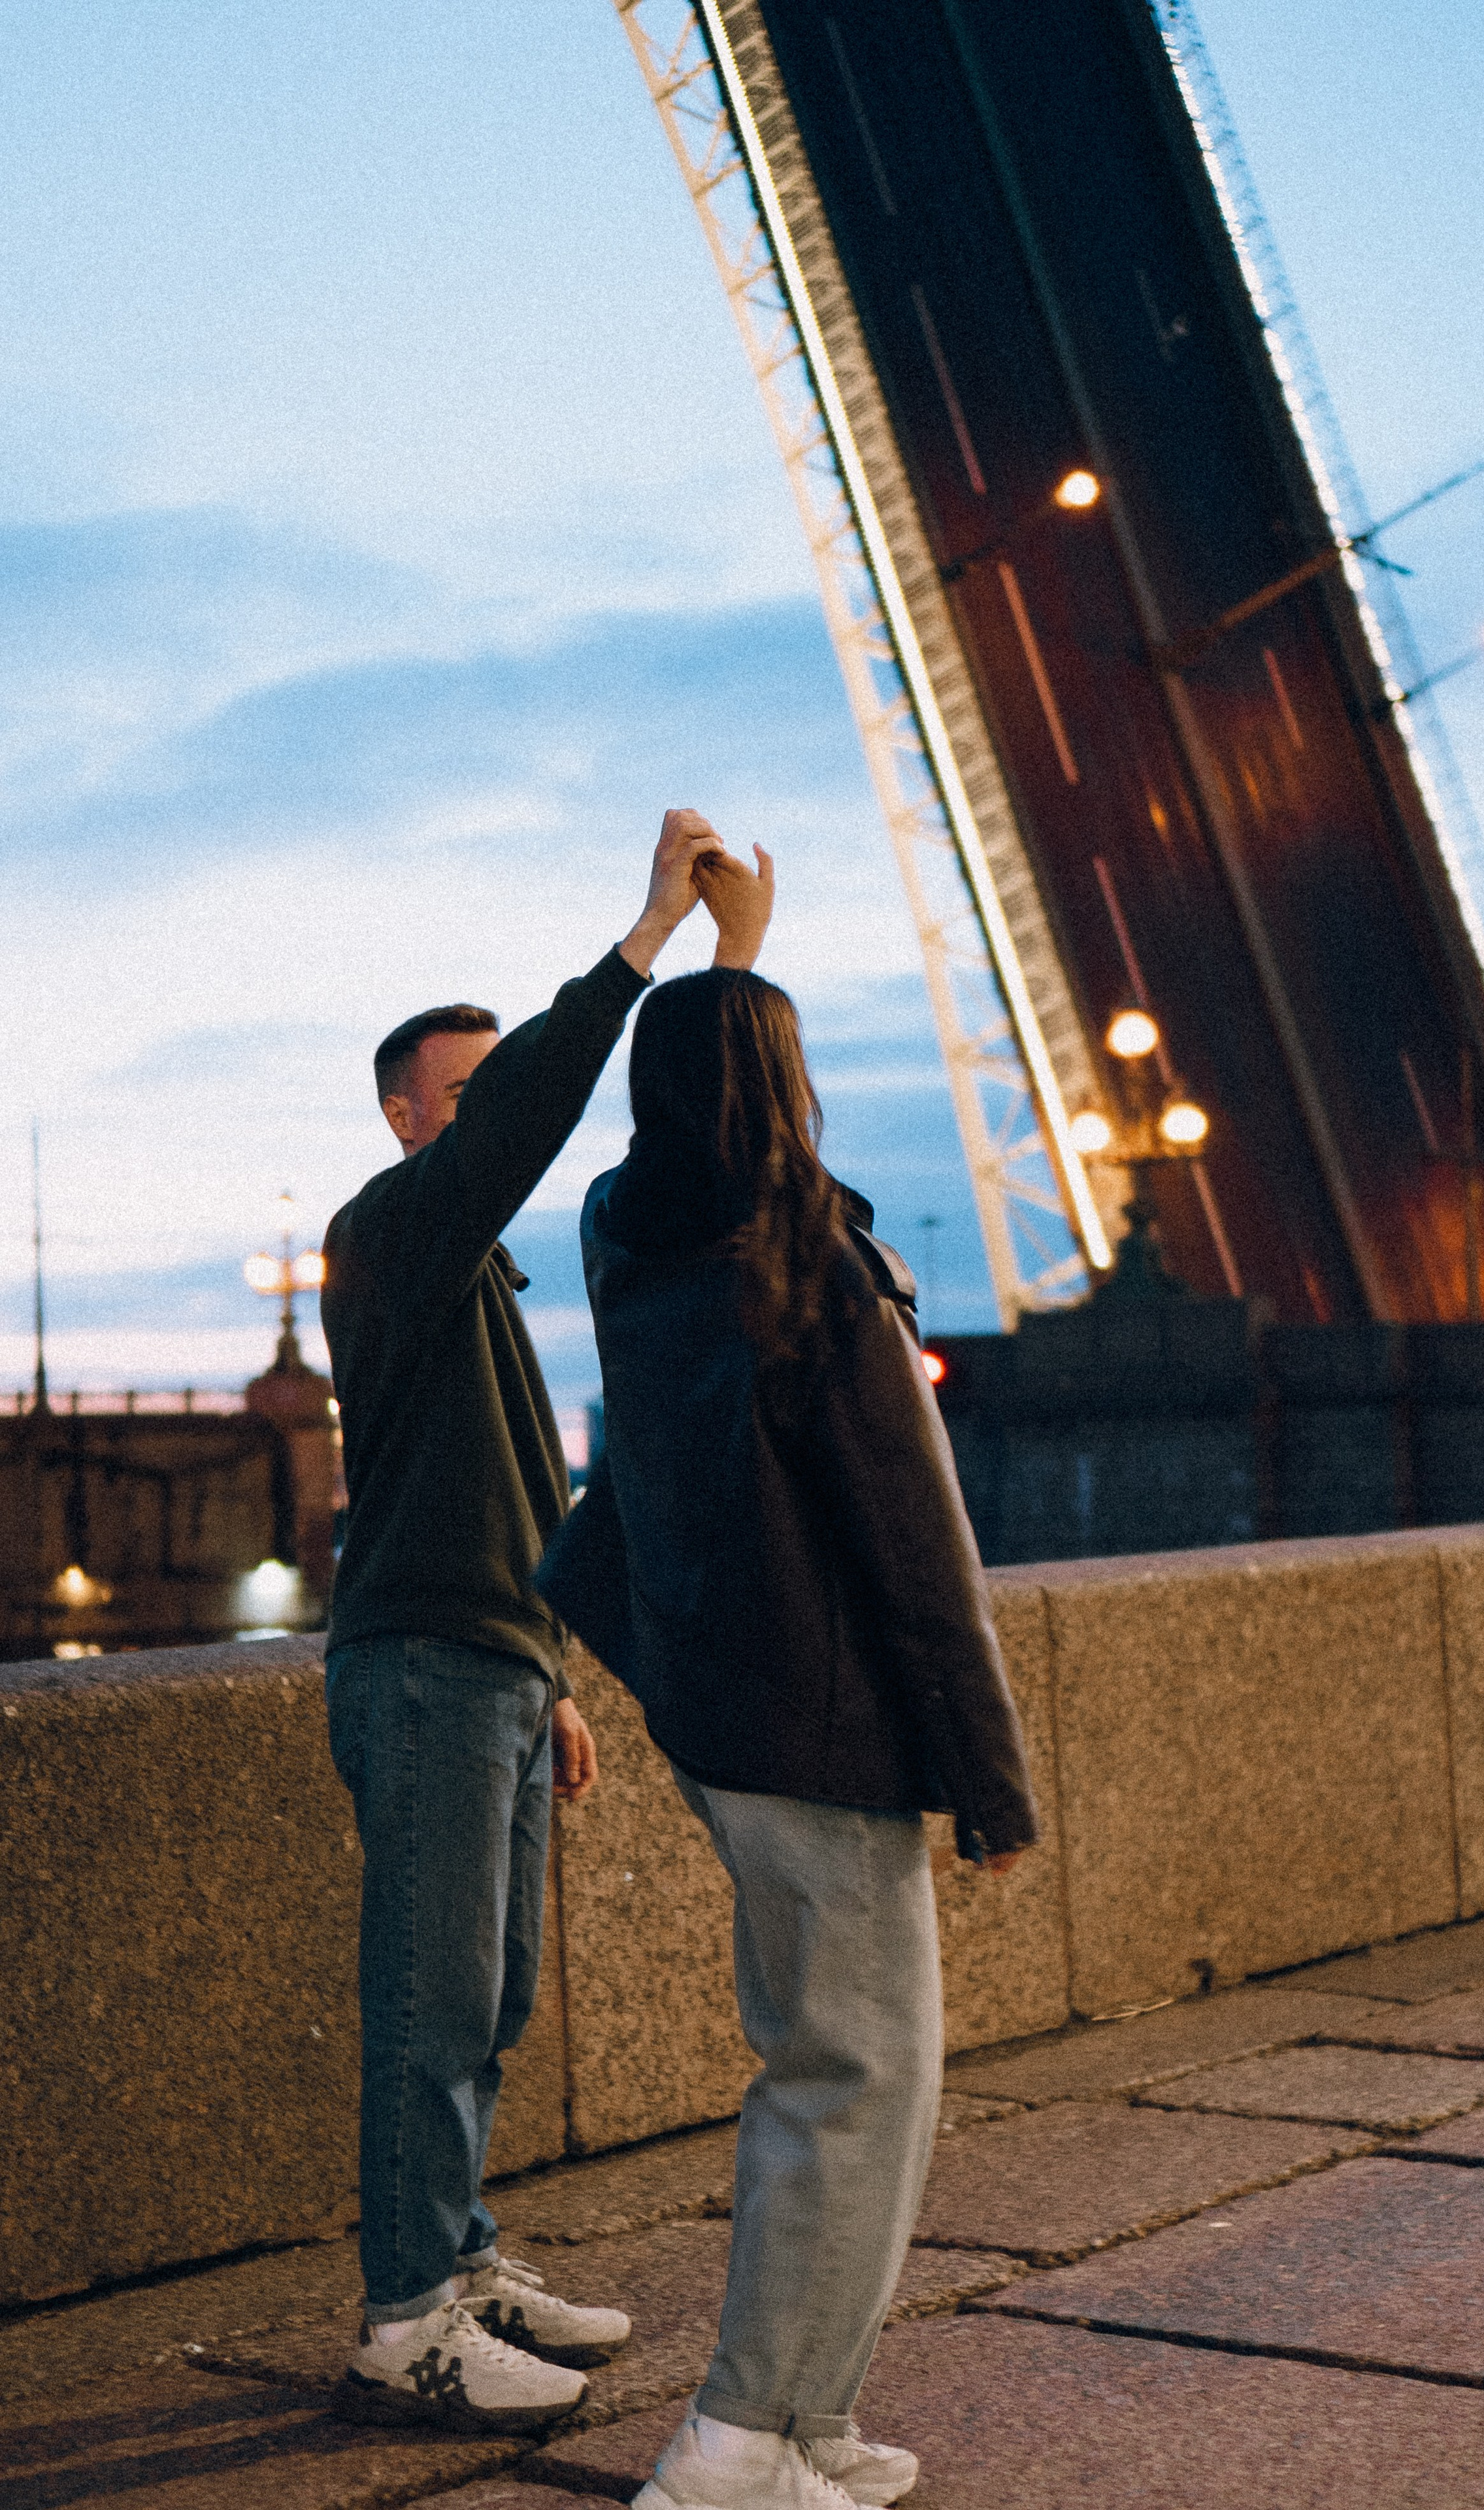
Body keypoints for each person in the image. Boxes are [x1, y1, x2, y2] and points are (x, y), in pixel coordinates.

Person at [557, 965, 1038, 2509]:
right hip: (820, 1732)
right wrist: (991, 1787)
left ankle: (810, 2423)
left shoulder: (628, 1244)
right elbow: (915, 1549)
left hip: (717, 1711)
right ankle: (737, 2440)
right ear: (786, 1084)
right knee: (850, 2077)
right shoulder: (814, 1272)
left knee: (841, 2065)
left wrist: (726, 954)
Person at [321, 812, 776, 2436]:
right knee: (431, 2002)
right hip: (423, 1666)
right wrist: (650, 943)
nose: (491, 1113)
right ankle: (404, 2324)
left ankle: (462, 2261)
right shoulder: (391, 1234)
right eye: (465, 1093)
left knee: (492, 1998)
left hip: (497, 1670)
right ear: (406, 1117)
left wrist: (554, 1671)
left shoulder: (487, 1286)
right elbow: (525, 1116)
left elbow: (514, 1498)